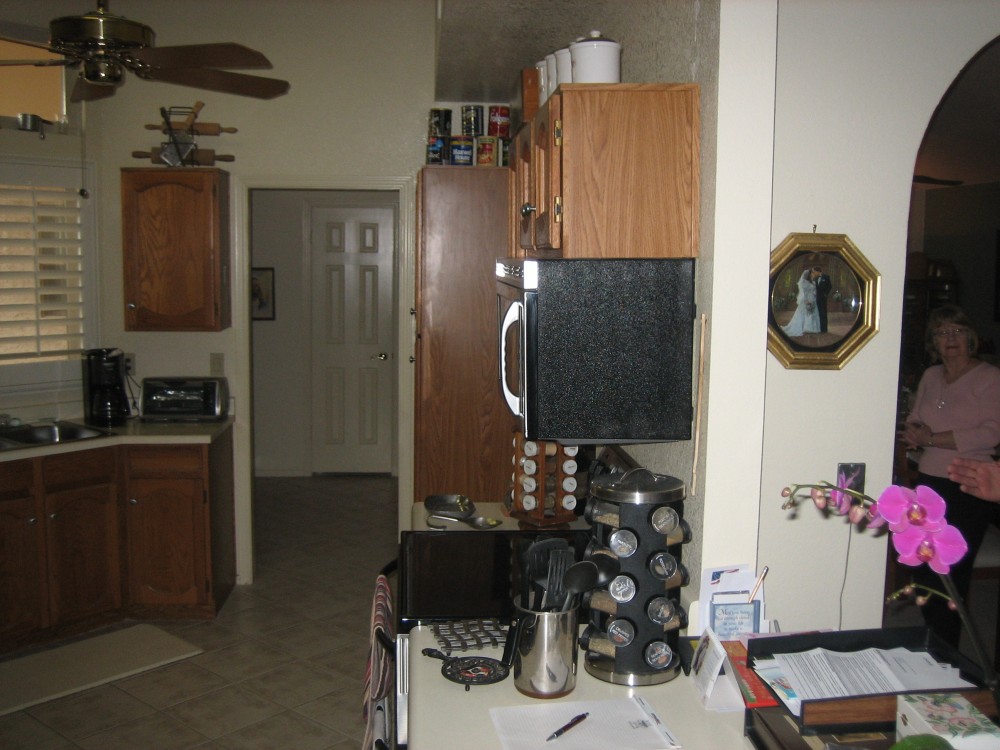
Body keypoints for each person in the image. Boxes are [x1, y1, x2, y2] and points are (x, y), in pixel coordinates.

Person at [898, 305, 1000, 648]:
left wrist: (931, 439)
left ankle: (948, 654)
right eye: (942, 333)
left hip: (970, 485)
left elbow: (991, 433)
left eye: (957, 331)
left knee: (952, 575)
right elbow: (914, 416)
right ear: (934, 342)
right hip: (929, 485)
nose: (950, 339)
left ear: (971, 338)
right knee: (923, 569)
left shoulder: (990, 378)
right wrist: (914, 432)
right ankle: (932, 644)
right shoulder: (930, 376)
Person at [781, 268, 820, 337]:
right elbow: (803, 292)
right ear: (809, 274)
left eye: (814, 273)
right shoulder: (804, 282)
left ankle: (811, 328)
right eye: (813, 273)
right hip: (806, 300)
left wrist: (814, 295)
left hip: (813, 299)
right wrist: (806, 300)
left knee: (812, 313)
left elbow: (814, 291)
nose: (814, 275)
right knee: (802, 314)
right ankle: (799, 328)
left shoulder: (813, 282)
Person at [814, 266, 832, 333]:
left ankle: (824, 329)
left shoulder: (826, 277)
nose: (814, 273)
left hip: (823, 298)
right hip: (817, 298)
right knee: (818, 313)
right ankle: (819, 328)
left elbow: (830, 286)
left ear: (818, 271)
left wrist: (825, 294)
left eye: (815, 272)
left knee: (823, 313)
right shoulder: (816, 278)